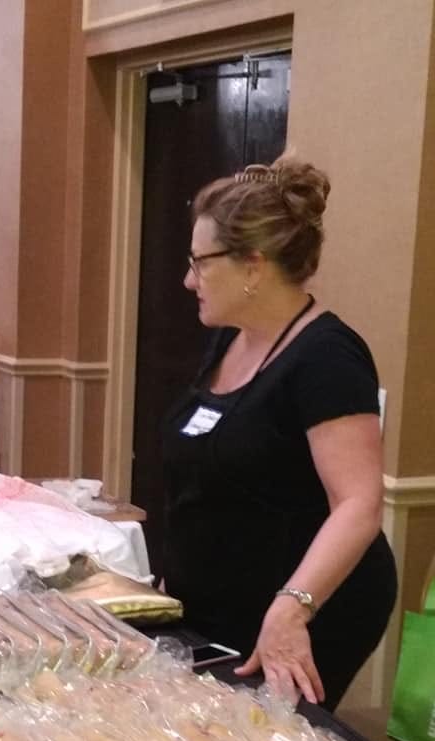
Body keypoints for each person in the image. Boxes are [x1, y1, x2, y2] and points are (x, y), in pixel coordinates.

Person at [163, 155, 397, 711]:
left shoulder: (327, 358)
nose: (189, 280)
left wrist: (292, 608)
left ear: (253, 265)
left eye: (200, 263)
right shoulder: (231, 338)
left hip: (300, 613)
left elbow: (359, 504)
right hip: (218, 607)